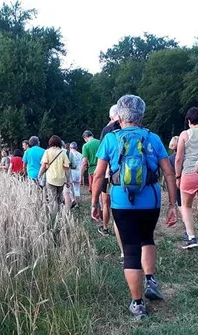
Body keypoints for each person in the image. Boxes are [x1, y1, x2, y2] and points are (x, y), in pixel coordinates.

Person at [91, 95, 177, 320]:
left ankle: (138, 304)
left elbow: (99, 174)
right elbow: (168, 172)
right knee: (147, 237)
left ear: (119, 116)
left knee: (130, 249)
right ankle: (151, 280)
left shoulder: (110, 139)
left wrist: (94, 203)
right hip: (151, 199)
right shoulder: (153, 138)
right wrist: (172, 205)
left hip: (121, 200)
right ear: (142, 115)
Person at [98, 105, 124, 254]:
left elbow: (103, 160)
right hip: (131, 176)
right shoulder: (138, 129)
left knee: (107, 203)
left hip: (110, 175)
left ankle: (106, 227)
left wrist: (94, 202)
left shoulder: (107, 131)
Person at [175, 107, 198, 249]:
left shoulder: (184, 134)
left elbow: (178, 158)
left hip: (189, 174)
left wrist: (177, 175)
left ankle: (192, 237)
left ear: (189, 121)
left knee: (186, 206)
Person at [38, 135, 70, 215]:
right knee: (59, 199)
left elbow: (44, 166)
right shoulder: (63, 153)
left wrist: (39, 175)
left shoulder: (47, 152)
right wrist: (68, 180)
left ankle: (53, 217)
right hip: (61, 179)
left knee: (52, 199)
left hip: (51, 179)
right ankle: (59, 215)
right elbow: (66, 168)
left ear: (50, 143)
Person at [167, 136, 183, 223]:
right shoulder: (185, 157)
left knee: (181, 204)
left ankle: (187, 225)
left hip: (176, 183)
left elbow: (169, 173)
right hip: (186, 181)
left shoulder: (170, 158)